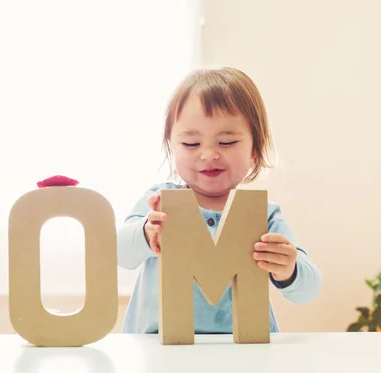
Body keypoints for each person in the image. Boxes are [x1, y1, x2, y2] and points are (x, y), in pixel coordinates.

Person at [117, 66, 322, 334]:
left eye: (227, 142)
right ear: (172, 146)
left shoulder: (263, 215)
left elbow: (308, 291)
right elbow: (119, 252)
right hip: (161, 348)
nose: (209, 154)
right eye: (191, 144)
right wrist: (146, 234)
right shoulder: (160, 202)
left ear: (255, 148)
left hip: (242, 350)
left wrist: (289, 269)